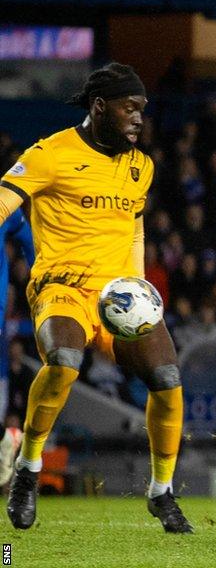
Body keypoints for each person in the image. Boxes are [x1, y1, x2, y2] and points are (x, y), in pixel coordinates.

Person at [0, 63, 193, 533]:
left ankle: (161, 491)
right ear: (100, 107)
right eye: (130, 109)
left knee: (167, 377)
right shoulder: (51, 152)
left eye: (143, 111)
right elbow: (5, 196)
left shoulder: (139, 166)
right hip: (60, 288)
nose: (138, 119)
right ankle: (28, 467)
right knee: (64, 359)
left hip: (118, 295)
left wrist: (138, 282)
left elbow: (134, 226)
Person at [0, 207, 32, 486]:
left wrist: (39, 283)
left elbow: (28, 240)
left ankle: (6, 439)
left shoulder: (5, 202)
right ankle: (6, 438)